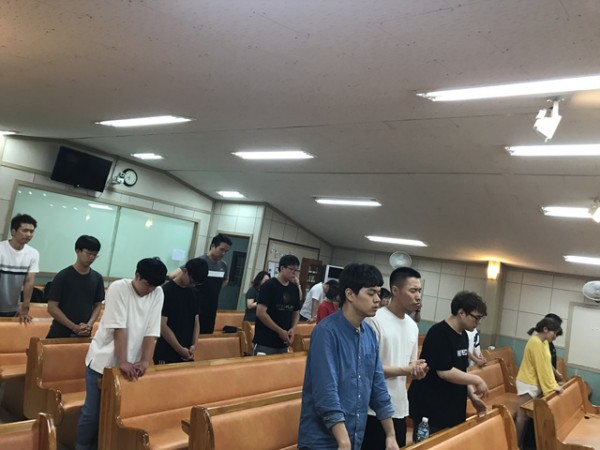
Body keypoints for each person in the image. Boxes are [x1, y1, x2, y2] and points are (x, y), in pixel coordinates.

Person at [298, 263, 400, 450]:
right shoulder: (326, 332)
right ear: (350, 294)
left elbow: (377, 386)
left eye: (379, 293)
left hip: (353, 437)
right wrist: (343, 441)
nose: (378, 300)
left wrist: (391, 435)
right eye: (371, 293)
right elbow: (325, 391)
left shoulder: (369, 334)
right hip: (322, 442)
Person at [75, 257, 167, 450]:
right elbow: (119, 328)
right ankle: (81, 446)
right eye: (148, 284)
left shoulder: (157, 292)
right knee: (93, 414)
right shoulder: (119, 288)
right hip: (103, 361)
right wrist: (123, 361)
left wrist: (145, 361)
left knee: (114, 416)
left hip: (130, 365)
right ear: (137, 275)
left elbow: (152, 330)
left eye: (155, 286)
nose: (150, 290)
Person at [408, 291, 489, 441]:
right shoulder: (439, 333)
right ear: (461, 313)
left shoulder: (463, 335)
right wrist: (477, 380)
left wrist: (472, 396)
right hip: (431, 407)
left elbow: (461, 371)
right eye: (476, 317)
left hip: (451, 406)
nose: (478, 322)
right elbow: (444, 371)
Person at [362, 267, 428, 449]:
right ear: (395, 290)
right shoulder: (374, 320)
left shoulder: (412, 326)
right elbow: (368, 368)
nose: (418, 296)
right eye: (413, 290)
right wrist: (406, 369)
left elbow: (409, 365)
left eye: (419, 291)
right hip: (373, 410)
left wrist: (417, 370)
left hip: (399, 408)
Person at [514, 317, 563, 449]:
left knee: (526, 418)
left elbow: (547, 365)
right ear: (545, 329)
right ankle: (515, 446)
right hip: (527, 383)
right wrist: (552, 386)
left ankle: (521, 445)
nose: (555, 336)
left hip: (535, 383)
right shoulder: (535, 342)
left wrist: (554, 381)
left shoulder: (544, 342)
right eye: (554, 333)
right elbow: (541, 367)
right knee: (522, 417)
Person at [171, 233, 231, 334]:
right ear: (213, 246)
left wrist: (214, 290)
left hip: (211, 308)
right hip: (195, 305)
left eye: (226, 251)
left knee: (206, 335)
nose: (223, 253)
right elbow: (173, 275)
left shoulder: (223, 265)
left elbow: (226, 279)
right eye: (221, 249)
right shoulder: (199, 262)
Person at [46, 235, 105, 338]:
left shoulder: (97, 278)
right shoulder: (63, 276)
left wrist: (89, 325)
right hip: (60, 332)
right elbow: (52, 307)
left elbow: (98, 305)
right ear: (78, 251)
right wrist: (73, 327)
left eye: (95, 254)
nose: (91, 257)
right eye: (88, 253)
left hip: (84, 332)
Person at [153, 258, 209, 364]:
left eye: (196, 284)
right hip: (166, 351)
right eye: (191, 281)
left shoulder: (195, 293)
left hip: (187, 351)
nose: (192, 285)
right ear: (185, 271)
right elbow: (162, 325)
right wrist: (179, 349)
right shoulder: (165, 292)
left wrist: (194, 345)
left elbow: (196, 321)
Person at [253, 255, 301, 355]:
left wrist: (293, 329)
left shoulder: (294, 288)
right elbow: (260, 313)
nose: (294, 273)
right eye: (291, 269)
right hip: (265, 341)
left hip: (283, 343)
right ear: (282, 268)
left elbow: (296, 312)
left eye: (296, 270)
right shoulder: (269, 286)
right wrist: (279, 331)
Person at [0, 214, 39, 323]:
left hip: (13, 307)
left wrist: (25, 308)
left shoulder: (33, 254)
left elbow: (29, 281)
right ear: (13, 231)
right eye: (25, 230)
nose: (28, 234)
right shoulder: (1, 249)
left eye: (31, 231)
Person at [544, 313, 564, 382]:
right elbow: (546, 364)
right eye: (554, 333)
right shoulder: (538, 343)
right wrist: (557, 375)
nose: (555, 337)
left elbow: (551, 364)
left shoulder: (550, 344)